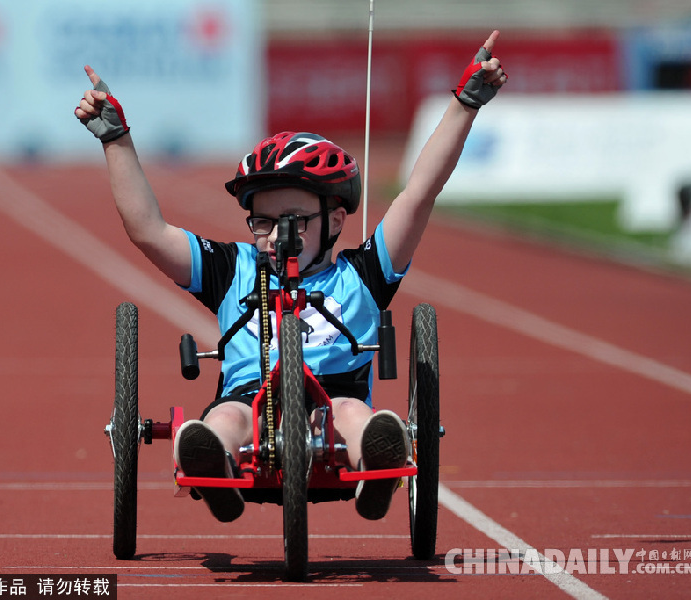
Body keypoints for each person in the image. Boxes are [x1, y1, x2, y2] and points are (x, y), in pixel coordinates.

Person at [75, 31, 507, 523]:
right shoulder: (233, 268)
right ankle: (209, 460)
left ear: (336, 220)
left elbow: (417, 194)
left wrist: (465, 105)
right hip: (249, 398)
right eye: (264, 221)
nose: (278, 235)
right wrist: (116, 138)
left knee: (354, 415)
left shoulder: (363, 275)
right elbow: (148, 231)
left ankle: (379, 464)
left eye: (296, 220)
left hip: (336, 399)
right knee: (225, 418)